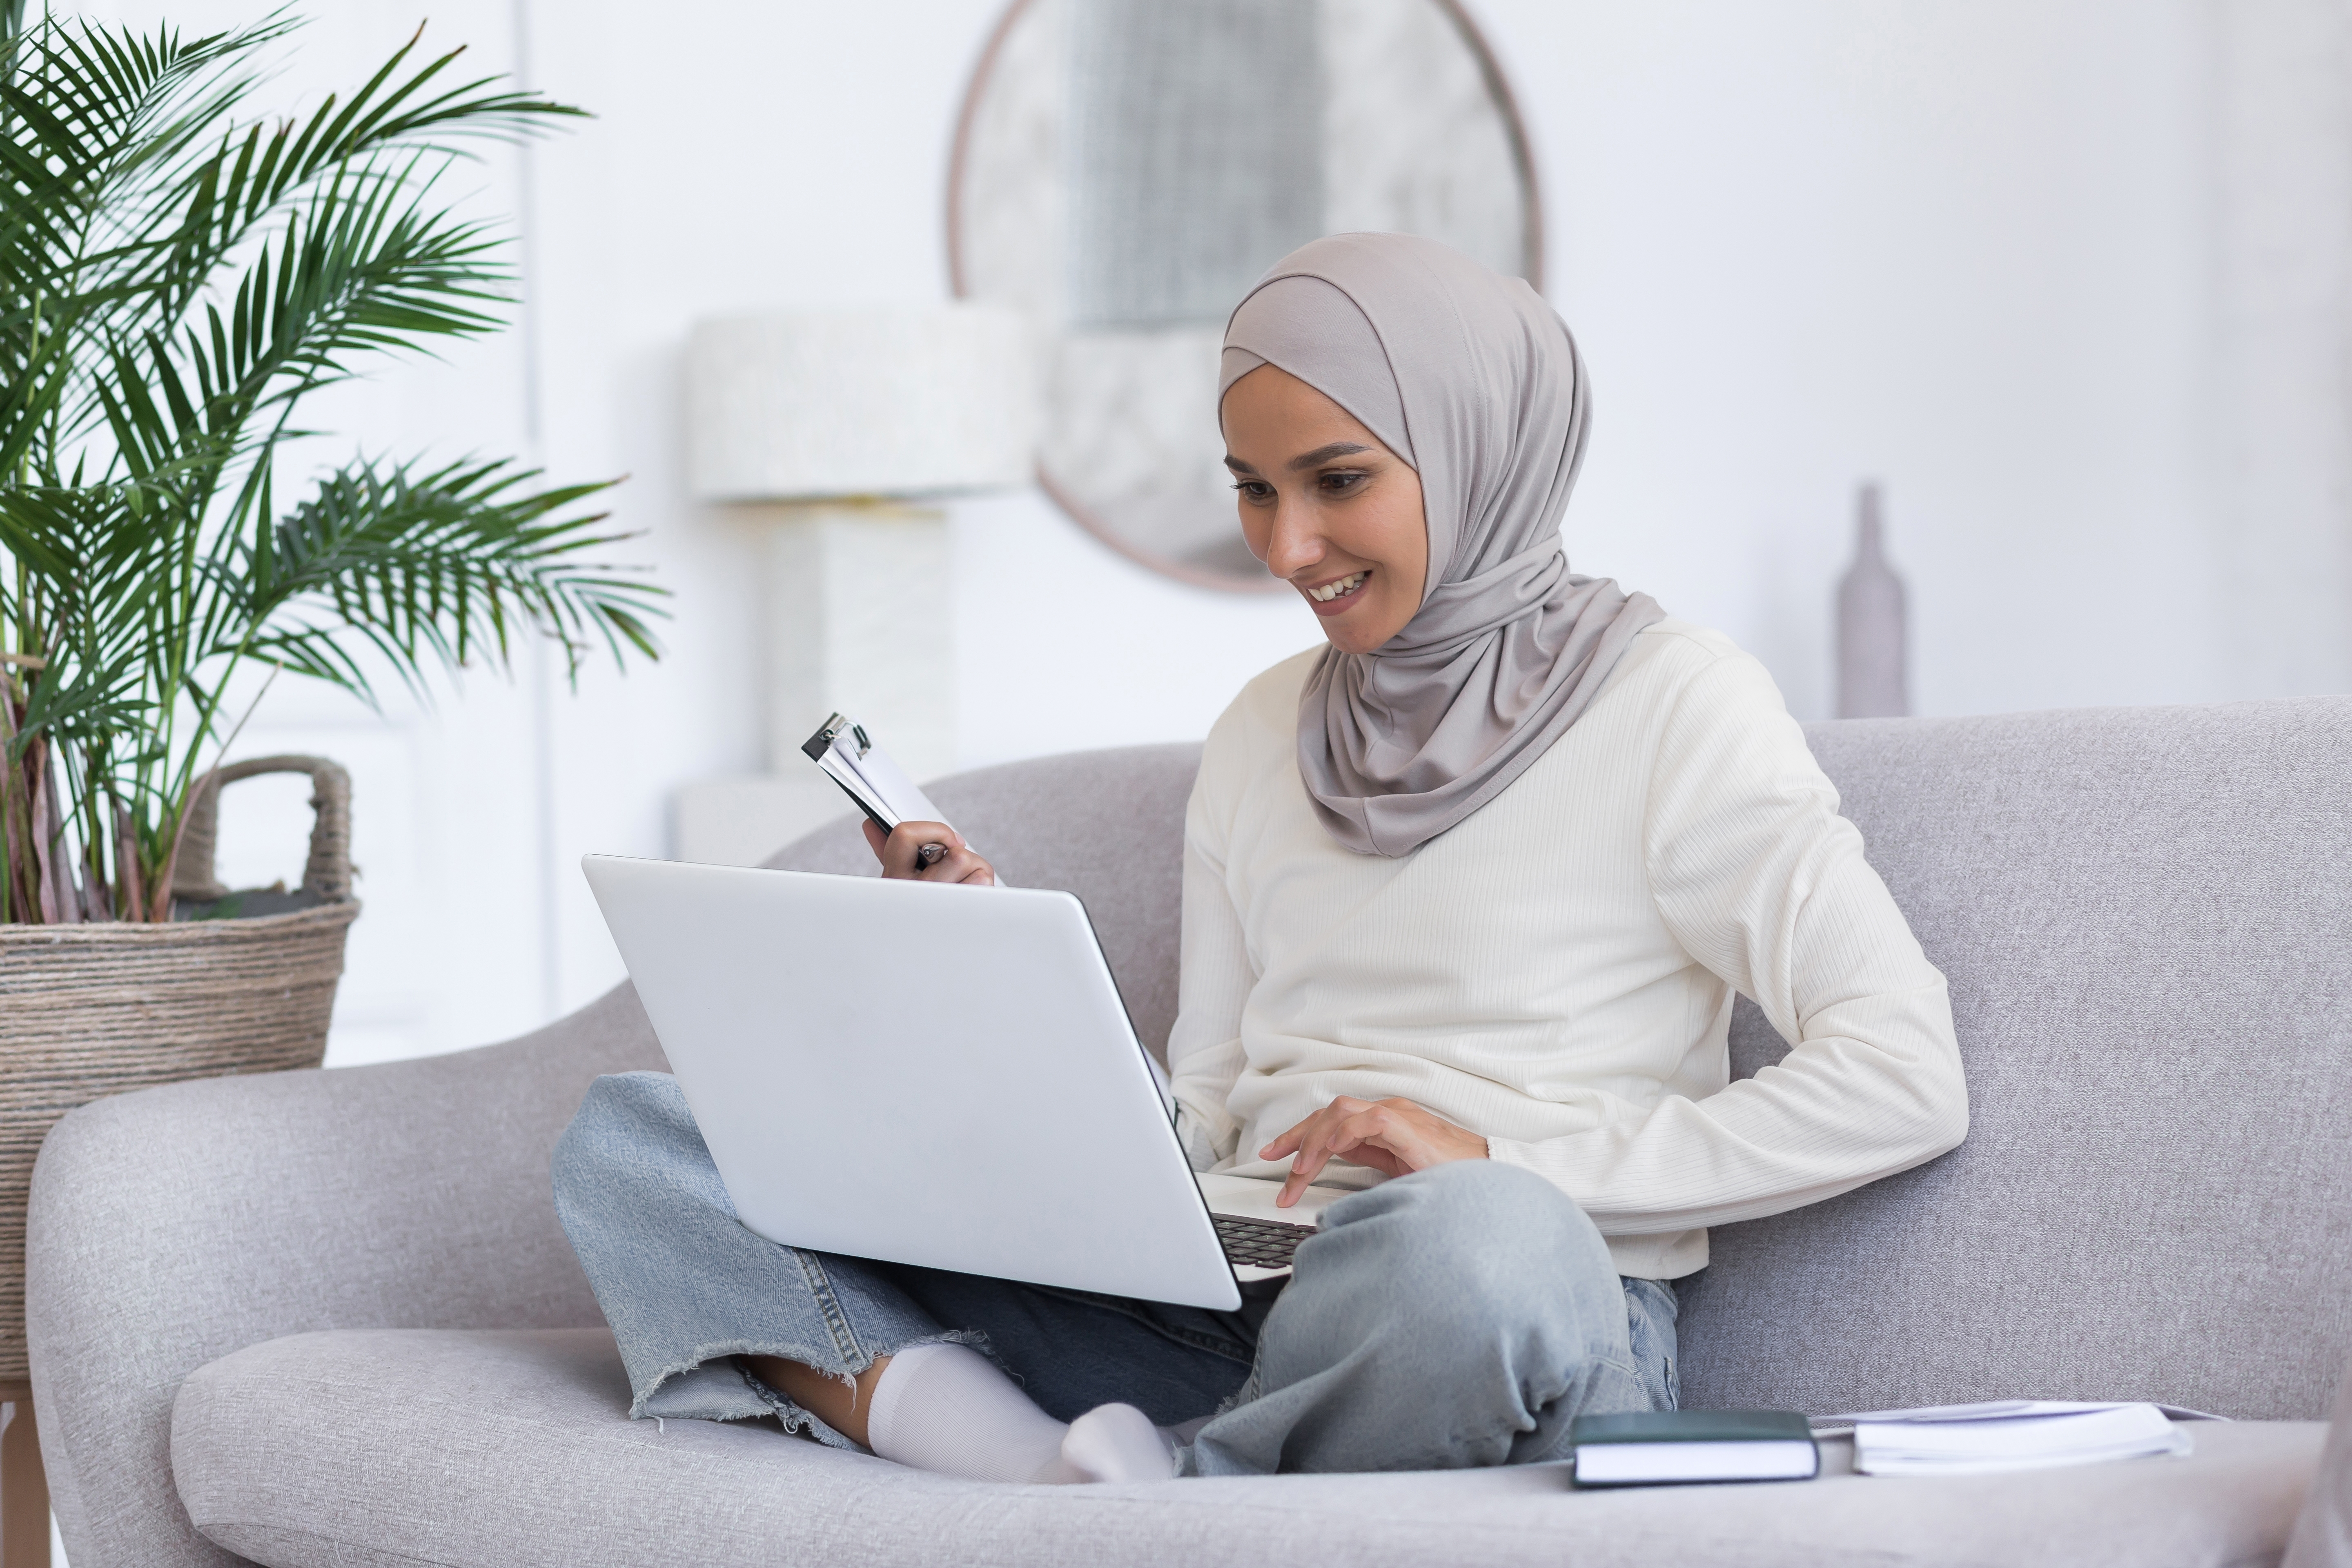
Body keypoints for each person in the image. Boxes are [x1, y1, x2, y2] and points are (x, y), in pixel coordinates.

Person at [552, 232, 1967, 1482]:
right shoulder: (1256, 734)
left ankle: (1172, 1495)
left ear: (1481, 449)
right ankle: (1050, 1469)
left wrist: (1505, 1160)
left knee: (1483, 1243)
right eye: (1251, 489)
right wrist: (989, 993)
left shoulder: (1675, 703)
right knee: (636, 1134)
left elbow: (1904, 1076)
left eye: (1338, 480)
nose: (1288, 546)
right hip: (1224, 1296)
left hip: (1482, 1308)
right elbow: (1220, 1123)